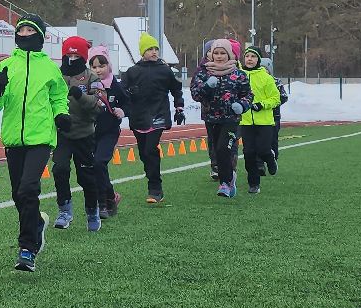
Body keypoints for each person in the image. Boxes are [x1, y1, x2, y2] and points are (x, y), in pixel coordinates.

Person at [0, 15, 69, 271]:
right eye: (20, 29)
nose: (24, 33)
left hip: (41, 138)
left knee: (28, 188)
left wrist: (61, 115)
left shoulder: (50, 69)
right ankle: (37, 225)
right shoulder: (4, 67)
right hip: (13, 139)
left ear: (40, 36)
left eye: (30, 29)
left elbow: (59, 97)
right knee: (17, 194)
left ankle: (28, 248)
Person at [51, 35, 115, 233]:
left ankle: (92, 211)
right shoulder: (55, 76)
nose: (71, 60)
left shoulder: (91, 78)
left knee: (86, 176)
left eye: (76, 55)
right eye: (68, 55)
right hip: (61, 134)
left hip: (84, 135)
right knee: (59, 169)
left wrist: (80, 96)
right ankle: (64, 210)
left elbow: (99, 106)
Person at [117, 31, 184, 205]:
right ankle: (152, 178)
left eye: (156, 48)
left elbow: (176, 89)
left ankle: (155, 189)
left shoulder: (165, 70)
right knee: (144, 153)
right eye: (150, 49)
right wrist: (128, 95)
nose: (154, 52)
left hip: (158, 115)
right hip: (138, 117)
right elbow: (122, 92)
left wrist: (179, 107)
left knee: (150, 149)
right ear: (142, 52)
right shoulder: (132, 72)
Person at [188, 38, 251, 197]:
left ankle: (226, 182)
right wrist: (207, 86)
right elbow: (196, 94)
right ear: (211, 54)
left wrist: (242, 105)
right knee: (217, 150)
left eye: (223, 53)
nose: (219, 56)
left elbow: (248, 95)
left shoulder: (239, 75)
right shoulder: (203, 73)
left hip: (231, 119)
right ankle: (228, 179)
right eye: (216, 53)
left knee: (224, 148)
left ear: (229, 55)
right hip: (211, 118)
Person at [87, 45, 128, 221]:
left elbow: (128, 103)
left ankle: (102, 203)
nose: (98, 70)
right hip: (90, 133)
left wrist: (122, 110)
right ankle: (111, 196)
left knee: (99, 163)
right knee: (94, 167)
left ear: (108, 66)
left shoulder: (115, 86)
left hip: (109, 132)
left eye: (101, 66)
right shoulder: (87, 86)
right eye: (94, 66)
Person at [239, 43, 284, 194]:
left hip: (264, 122)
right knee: (249, 153)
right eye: (247, 56)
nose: (249, 59)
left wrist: (262, 105)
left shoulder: (266, 78)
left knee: (263, 149)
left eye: (253, 56)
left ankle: (270, 160)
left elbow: (276, 98)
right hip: (245, 122)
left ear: (258, 59)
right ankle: (253, 183)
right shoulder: (239, 76)